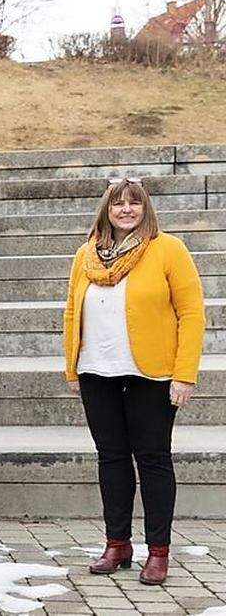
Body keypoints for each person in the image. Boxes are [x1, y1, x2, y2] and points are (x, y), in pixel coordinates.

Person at [63, 178, 204, 586]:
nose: (126, 210)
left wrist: (184, 374)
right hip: (97, 372)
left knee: (154, 459)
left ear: (146, 208)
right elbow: (72, 311)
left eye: (134, 203)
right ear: (106, 209)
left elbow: (192, 314)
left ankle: (158, 552)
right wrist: (73, 367)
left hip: (152, 375)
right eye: (118, 203)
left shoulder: (168, 250)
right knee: (111, 458)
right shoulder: (86, 254)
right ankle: (117, 543)